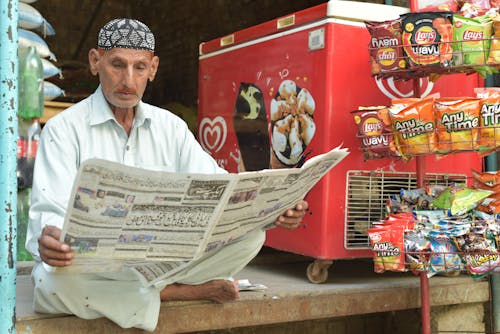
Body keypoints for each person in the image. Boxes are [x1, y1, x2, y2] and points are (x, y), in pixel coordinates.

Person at [26, 18, 309, 331]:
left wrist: (274, 210)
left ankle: (145, 291)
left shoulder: (171, 128)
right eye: (117, 65)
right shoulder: (62, 130)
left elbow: (222, 189)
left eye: (140, 67)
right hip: (96, 269)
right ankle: (174, 293)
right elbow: (49, 212)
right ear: (95, 62)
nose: (128, 80)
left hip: (158, 263)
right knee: (53, 286)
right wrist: (50, 238)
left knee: (252, 238)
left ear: (154, 68)